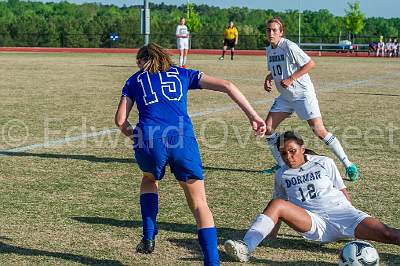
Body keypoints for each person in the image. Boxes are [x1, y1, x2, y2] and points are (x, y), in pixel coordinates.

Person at [115, 42, 266, 265]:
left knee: (149, 179)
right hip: (182, 139)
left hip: (148, 138)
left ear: (141, 61)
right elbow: (227, 85)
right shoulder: (183, 73)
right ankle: (212, 262)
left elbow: (120, 121)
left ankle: (148, 236)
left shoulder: (134, 80)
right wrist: (253, 116)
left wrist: (136, 137)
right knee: (199, 203)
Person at [224, 131, 400, 262]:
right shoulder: (282, 174)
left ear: (302, 148)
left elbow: (341, 190)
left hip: (344, 215)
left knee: (388, 233)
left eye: (292, 151)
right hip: (315, 223)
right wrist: (270, 235)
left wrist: (356, 221)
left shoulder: (324, 162)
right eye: (283, 153)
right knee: (277, 203)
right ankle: (246, 247)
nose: (288, 157)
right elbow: (277, 205)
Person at [261, 17, 359, 181]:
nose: (271, 33)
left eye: (274, 30)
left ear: (281, 32)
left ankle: (349, 165)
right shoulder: (269, 50)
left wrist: (291, 79)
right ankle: (281, 164)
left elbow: (310, 64)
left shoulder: (289, 46)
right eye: (268, 30)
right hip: (286, 97)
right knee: (268, 128)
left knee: (319, 131)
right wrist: (269, 77)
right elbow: (277, 69)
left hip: (302, 95)